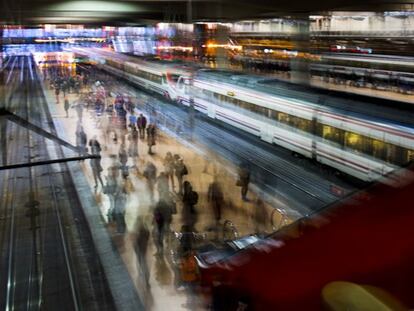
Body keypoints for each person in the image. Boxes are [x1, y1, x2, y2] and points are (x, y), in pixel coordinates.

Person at [135, 217, 150, 286]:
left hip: (140, 248)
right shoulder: (145, 229)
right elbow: (147, 235)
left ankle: (145, 278)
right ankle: (146, 280)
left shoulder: (138, 230)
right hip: (143, 248)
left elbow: (135, 241)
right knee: (143, 262)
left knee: (142, 262)